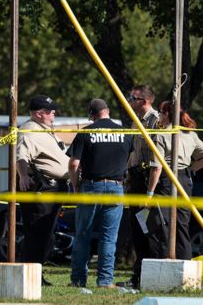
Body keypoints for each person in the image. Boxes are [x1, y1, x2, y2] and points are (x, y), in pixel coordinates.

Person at [68, 98, 133, 288]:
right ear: (108, 111)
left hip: (90, 186)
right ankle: (105, 281)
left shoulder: (85, 133)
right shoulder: (125, 133)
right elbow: (130, 157)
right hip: (115, 187)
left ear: (91, 115)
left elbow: (73, 164)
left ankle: (78, 280)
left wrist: (76, 185)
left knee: (83, 234)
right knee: (109, 238)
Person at [145, 101, 203, 262]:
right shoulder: (190, 134)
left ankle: (163, 264)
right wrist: (190, 170)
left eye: (161, 113)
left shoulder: (162, 135)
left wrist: (149, 193)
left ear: (167, 114)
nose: (158, 116)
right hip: (184, 180)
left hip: (166, 181)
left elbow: (156, 168)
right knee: (182, 226)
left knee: (162, 225)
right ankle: (185, 264)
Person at [15, 94, 69, 286]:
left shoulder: (45, 130)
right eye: (50, 111)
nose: (54, 113)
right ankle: (29, 276)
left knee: (46, 234)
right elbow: (21, 156)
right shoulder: (29, 131)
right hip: (42, 189)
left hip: (53, 189)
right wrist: (23, 176)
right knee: (38, 233)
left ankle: (34, 275)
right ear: (39, 114)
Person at [123, 84, 160, 288]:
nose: (130, 101)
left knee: (150, 230)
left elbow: (157, 156)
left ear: (144, 101)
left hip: (148, 181)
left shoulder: (155, 121)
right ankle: (138, 276)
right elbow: (133, 153)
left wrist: (150, 191)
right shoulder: (136, 122)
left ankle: (150, 277)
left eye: (133, 97)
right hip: (135, 180)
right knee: (137, 229)